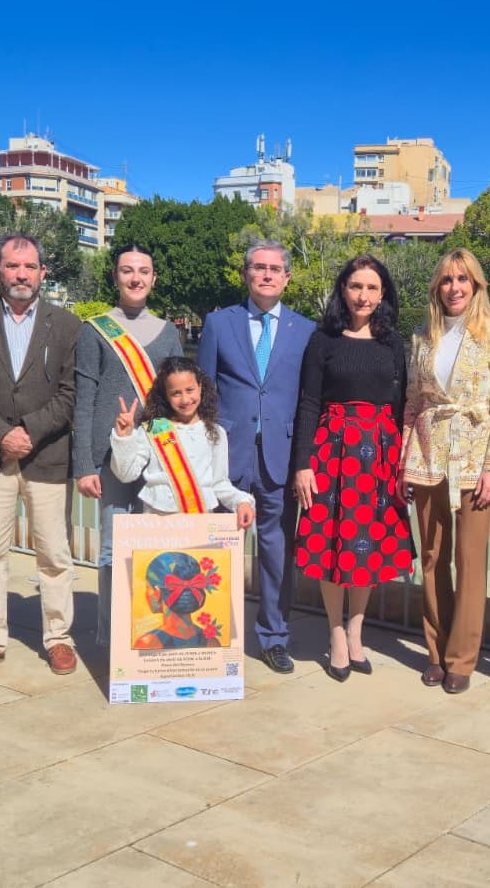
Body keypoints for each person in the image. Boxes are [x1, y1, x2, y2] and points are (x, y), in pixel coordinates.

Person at [0, 233, 82, 678]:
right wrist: (2, 434)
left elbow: (70, 392)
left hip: (45, 454)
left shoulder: (66, 325)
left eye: (29, 267)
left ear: (43, 272)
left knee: (55, 554)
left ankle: (59, 638)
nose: (21, 274)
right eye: (12, 266)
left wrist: (30, 430)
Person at [292, 255, 413, 682]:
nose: (363, 295)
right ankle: (335, 633)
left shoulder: (393, 342)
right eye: (356, 286)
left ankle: (356, 630)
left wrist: (402, 461)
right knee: (332, 546)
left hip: (379, 456)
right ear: (343, 290)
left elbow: (400, 408)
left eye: (372, 288)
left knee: (366, 545)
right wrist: (302, 464)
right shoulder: (322, 340)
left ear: (383, 295)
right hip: (332, 453)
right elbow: (308, 403)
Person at [401, 248, 490, 694]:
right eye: (447, 280)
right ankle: (435, 650)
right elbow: (413, 402)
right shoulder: (421, 337)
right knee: (431, 558)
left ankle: (461, 658)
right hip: (428, 456)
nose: (455, 288)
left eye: (463, 280)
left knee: (469, 561)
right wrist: (405, 460)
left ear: (476, 286)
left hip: (473, 460)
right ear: (437, 286)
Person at [198, 240, 314, 673]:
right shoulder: (218, 323)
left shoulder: (305, 330)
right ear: (246, 274)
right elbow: (205, 392)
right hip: (228, 457)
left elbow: (307, 399)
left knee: (276, 553)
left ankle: (273, 636)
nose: (266, 274)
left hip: (279, 461)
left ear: (286, 277)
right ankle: (211, 633)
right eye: (258, 267)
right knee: (219, 549)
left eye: (275, 268)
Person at [73, 244, 182, 647]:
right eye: (127, 270)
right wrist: (83, 464)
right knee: (111, 548)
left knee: (156, 547)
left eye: (143, 271)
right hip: (109, 457)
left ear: (154, 278)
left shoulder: (168, 331)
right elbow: (83, 400)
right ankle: (114, 640)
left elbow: (177, 400)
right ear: (116, 277)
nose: (135, 278)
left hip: (158, 456)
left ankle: (152, 634)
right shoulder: (94, 329)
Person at [109, 356, 255, 528]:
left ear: (200, 387)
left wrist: (242, 502)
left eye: (190, 390)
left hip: (200, 521)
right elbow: (126, 474)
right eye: (176, 393)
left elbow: (219, 483)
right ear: (166, 395)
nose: (185, 400)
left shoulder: (216, 433)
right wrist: (124, 438)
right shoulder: (153, 430)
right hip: (158, 522)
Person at [133, 552, 224, 650]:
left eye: (148, 587)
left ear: (157, 592)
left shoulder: (148, 644)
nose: (146, 593)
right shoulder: (212, 642)